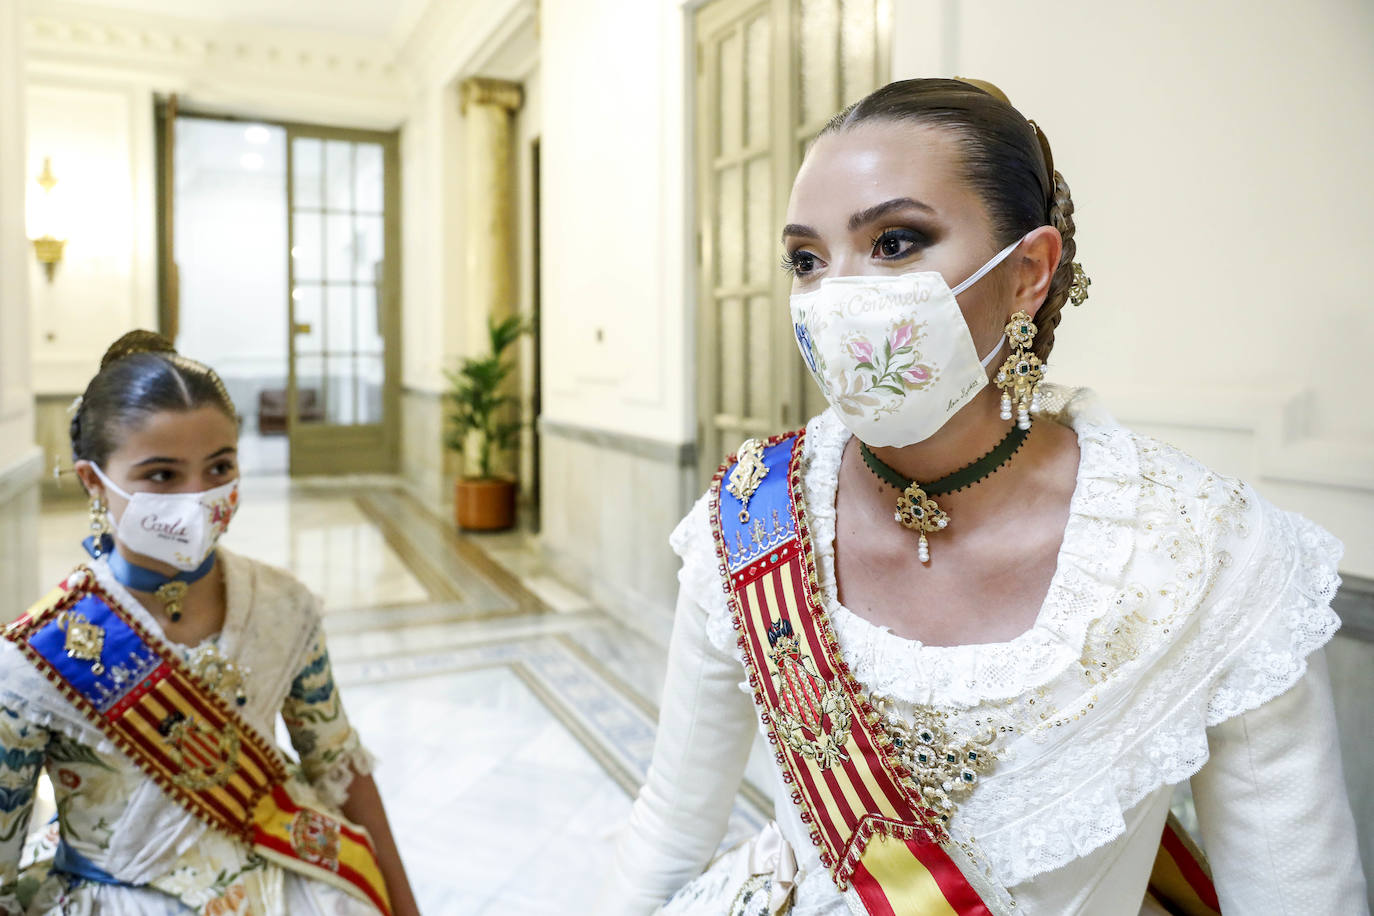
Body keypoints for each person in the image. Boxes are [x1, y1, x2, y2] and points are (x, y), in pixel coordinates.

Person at [599, 79, 1368, 915]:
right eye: (807, 260)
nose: (835, 300)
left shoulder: (1205, 553)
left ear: (1029, 273)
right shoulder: (749, 522)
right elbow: (670, 832)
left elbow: (1299, 891)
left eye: (895, 242)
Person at [0, 331, 420, 915]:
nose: (198, 497)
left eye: (219, 466)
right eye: (163, 476)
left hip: (291, 881)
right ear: (94, 480)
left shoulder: (283, 604)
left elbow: (338, 767)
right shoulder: (32, 660)